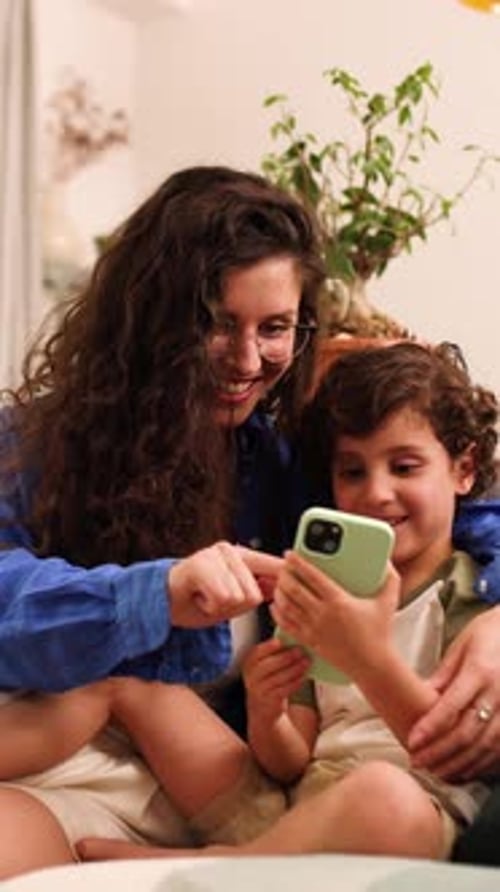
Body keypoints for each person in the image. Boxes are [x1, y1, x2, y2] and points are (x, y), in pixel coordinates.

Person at [1, 341, 497, 862]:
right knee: (127, 677)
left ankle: (219, 866)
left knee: (384, 794)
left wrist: (364, 657)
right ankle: (254, 856)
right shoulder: (326, 593)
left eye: (404, 467)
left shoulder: (471, 592)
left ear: (463, 470)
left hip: (403, 816)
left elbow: (453, 756)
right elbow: (290, 761)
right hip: (291, 811)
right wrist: (268, 711)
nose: (376, 493)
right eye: (353, 471)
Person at [0, 165, 326, 877]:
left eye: (274, 329)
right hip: (51, 765)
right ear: (150, 321)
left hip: (201, 787)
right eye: (216, 325)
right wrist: (157, 595)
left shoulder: (284, 462)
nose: (246, 362)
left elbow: (447, 503)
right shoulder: (32, 443)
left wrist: (494, 619)